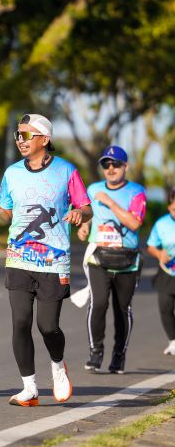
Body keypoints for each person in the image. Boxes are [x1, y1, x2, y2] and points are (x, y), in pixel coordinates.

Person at [0, 113, 92, 407]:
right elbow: (7, 212)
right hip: (18, 257)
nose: (21, 140)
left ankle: (58, 366)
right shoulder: (12, 173)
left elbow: (86, 207)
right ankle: (29, 388)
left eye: (27, 135)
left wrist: (79, 213)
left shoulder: (66, 171)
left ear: (45, 139)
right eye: (18, 135)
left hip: (53, 260)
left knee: (47, 325)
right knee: (20, 322)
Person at [77, 145, 147, 374]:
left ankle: (118, 357)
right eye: (106, 164)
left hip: (127, 260)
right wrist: (84, 226)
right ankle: (95, 353)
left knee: (122, 309)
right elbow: (88, 215)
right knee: (98, 304)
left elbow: (134, 223)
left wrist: (110, 203)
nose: (111, 168)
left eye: (116, 164)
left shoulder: (136, 192)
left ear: (126, 166)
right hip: (99, 257)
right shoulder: (93, 189)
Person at [146, 187, 175, 355]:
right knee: (165, 307)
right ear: (169, 206)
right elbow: (150, 246)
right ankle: (173, 340)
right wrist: (159, 254)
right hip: (168, 271)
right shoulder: (162, 224)